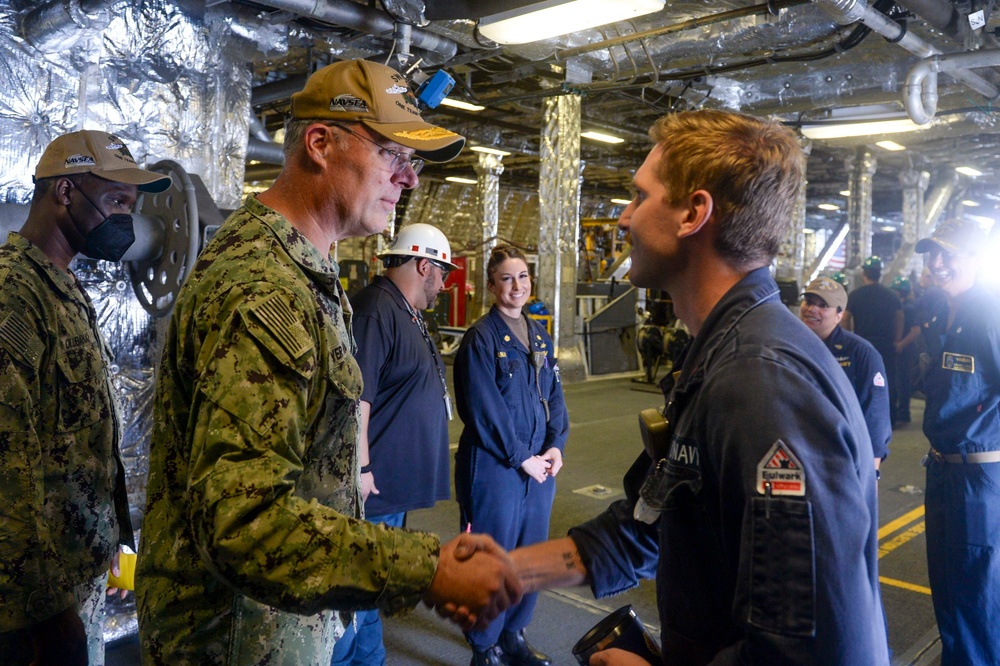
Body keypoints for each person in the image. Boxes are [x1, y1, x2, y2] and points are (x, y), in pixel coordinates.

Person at [135, 58, 521, 665]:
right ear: (320, 144)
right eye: (393, 155)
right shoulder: (262, 288)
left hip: (281, 627)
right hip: (239, 641)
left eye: (412, 162)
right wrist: (427, 567)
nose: (409, 180)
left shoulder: (305, 275)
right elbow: (246, 522)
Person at [509, 109, 888, 665]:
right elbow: (651, 515)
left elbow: (804, 648)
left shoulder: (759, 379)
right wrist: (510, 573)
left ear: (693, 213)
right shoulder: (720, 353)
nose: (622, 219)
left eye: (639, 198)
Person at [0, 130, 163, 665]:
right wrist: (45, 614)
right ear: (65, 192)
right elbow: (8, 471)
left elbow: (74, 442)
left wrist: (105, 543)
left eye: (131, 206)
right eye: (116, 201)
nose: (125, 220)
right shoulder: (13, 296)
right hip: (33, 602)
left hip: (74, 570)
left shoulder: (62, 286)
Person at [330, 222, 457, 666]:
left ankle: (370, 660)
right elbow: (357, 402)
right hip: (375, 485)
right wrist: (361, 471)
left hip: (390, 486)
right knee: (357, 588)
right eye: (442, 274)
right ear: (424, 265)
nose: (443, 285)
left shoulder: (407, 310)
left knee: (372, 585)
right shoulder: (375, 311)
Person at [454, 244, 570, 666]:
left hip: (538, 469)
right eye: (507, 278)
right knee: (492, 558)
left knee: (530, 556)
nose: (516, 286)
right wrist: (522, 456)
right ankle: (484, 648)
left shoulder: (540, 336)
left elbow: (555, 397)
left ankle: (513, 634)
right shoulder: (481, 339)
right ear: (491, 286)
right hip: (496, 468)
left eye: (522, 277)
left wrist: (556, 445)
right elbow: (483, 408)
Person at [915, 218, 1000, 665]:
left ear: (975, 259)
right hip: (942, 469)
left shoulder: (990, 310)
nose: (938, 263)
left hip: (979, 477)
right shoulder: (934, 308)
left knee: (977, 597)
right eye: (933, 253)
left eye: (949, 254)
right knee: (947, 589)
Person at [799, 276, 891, 469]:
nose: (812, 309)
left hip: (843, 458)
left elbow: (875, 416)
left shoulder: (861, 353)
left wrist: (872, 472)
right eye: (809, 301)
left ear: (839, 315)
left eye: (823, 305)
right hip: (802, 452)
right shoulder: (792, 345)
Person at [844, 255, 903, 425]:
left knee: (863, 380)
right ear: (880, 273)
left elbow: (845, 319)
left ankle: (864, 418)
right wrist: (898, 340)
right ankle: (890, 417)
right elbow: (900, 317)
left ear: (864, 274)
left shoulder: (855, 295)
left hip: (862, 345)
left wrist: (849, 339)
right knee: (888, 379)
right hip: (886, 344)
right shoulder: (891, 295)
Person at [891, 276, 921, 424]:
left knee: (903, 382)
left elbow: (915, 331)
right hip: (903, 348)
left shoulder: (908, 308)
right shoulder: (904, 306)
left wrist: (900, 344)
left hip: (906, 349)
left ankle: (903, 412)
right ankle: (901, 411)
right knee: (900, 382)